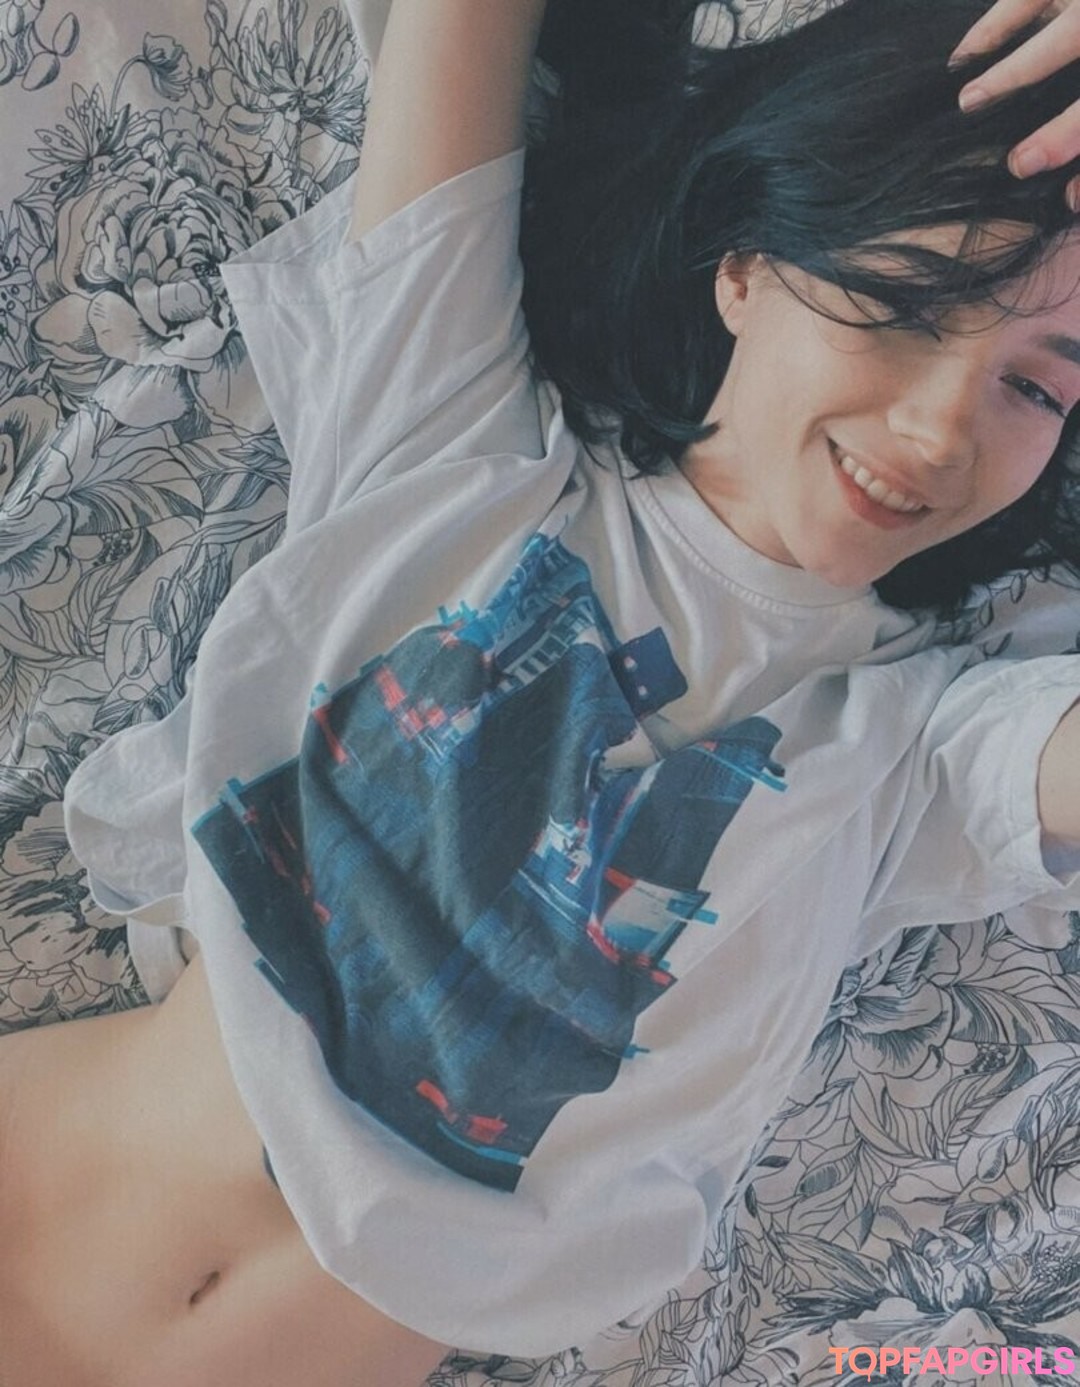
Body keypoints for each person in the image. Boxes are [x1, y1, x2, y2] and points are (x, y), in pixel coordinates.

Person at [7, 0, 1080, 1381]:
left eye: (1038, 392)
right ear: (745, 262)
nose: (940, 430)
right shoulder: (458, 443)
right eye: (907, 302)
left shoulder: (921, 750)